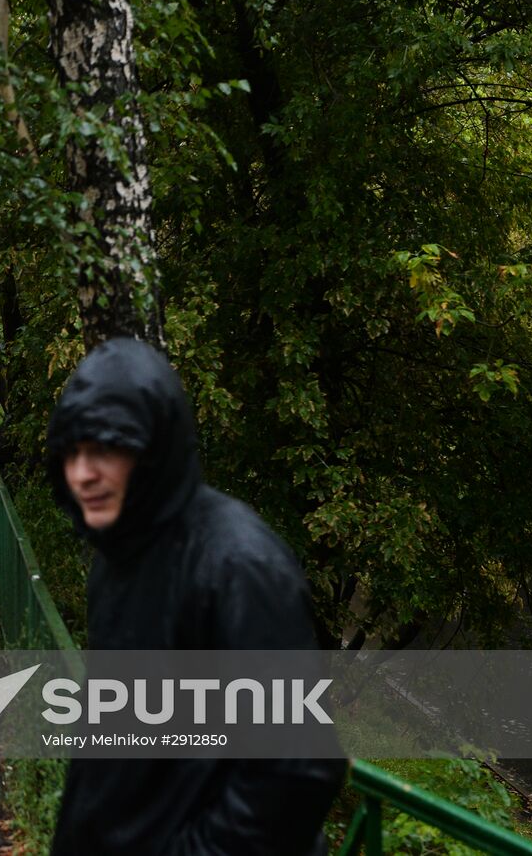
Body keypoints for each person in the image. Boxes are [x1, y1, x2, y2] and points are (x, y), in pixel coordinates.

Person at [45, 337, 345, 855]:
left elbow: (296, 771)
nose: (83, 474)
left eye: (106, 450)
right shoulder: (119, 555)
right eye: (72, 452)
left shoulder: (237, 566)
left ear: (155, 450)